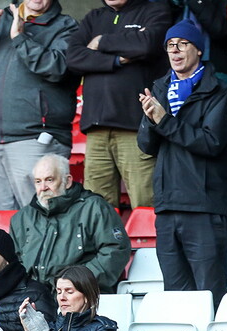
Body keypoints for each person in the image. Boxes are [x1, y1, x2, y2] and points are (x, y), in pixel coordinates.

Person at [138, 20, 227, 308]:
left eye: (182, 44)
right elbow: (146, 146)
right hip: (167, 208)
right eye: (170, 45)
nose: (175, 51)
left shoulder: (218, 89)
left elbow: (211, 142)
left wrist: (163, 120)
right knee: (176, 299)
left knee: (208, 297)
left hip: (204, 208)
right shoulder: (159, 88)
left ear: (198, 50)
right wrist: (151, 122)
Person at [0, 0, 79, 210]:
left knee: (41, 218)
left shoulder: (67, 27)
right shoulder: (0, 20)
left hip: (36, 138)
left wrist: (20, 38)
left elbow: (58, 68)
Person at [64, 0, 171, 209]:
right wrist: (116, 60)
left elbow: (146, 44)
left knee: (146, 202)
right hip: (96, 129)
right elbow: (73, 57)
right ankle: (107, 244)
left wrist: (101, 42)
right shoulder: (93, 17)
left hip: (135, 126)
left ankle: (152, 243)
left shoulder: (155, 10)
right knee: (97, 207)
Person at [10, 154, 130, 292]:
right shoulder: (22, 217)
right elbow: (13, 262)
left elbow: (115, 251)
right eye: (38, 181)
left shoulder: (94, 207)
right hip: (33, 297)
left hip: (82, 295)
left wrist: (76, 283)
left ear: (67, 181)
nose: (43, 187)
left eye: (49, 180)